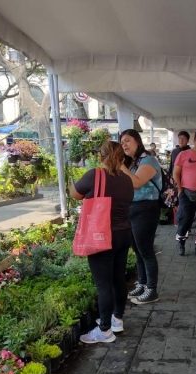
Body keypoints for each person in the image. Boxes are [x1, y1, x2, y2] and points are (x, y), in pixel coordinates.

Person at [71, 140, 133, 344]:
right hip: (124, 234)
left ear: (101, 156)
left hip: (102, 236)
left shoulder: (94, 175)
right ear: (122, 159)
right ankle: (117, 320)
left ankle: (104, 330)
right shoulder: (127, 180)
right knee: (118, 279)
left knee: (103, 285)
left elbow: (75, 194)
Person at [119, 129, 161, 305]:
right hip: (132, 208)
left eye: (128, 140)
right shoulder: (132, 162)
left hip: (146, 208)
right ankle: (142, 283)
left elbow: (137, 182)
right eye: (122, 143)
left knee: (145, 250)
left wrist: (120, 166)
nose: (124, 145)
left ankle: (151, 290)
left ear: (137, 141)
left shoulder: (148, 160)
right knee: (137, 249)